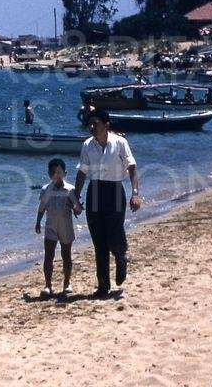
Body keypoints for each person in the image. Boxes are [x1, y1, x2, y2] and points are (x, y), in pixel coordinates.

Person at [74, 110, 141, 296]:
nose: (92, 127)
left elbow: (132, 168)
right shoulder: (87, 145)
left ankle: (120, 258)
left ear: (106, 125)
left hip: (114, 190)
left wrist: (135, 194)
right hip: (94, 191)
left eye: (96, 123)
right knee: (98, 240)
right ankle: (103, 284)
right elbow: (82, 172)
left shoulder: (120, 143)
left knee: (114, 233)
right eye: (90, 124)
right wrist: (76, 198)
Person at [35, 158, 82, 298]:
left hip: (66, 226)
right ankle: (48, 285)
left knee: (66, 255)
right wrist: (38, 222)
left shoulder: (70, 189)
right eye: (53, 172)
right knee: (48, 255)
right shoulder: (46, 189)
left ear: (65, 173)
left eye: (59, 172)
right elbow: (42, 208)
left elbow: (77, 209)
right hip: (50, 225)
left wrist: (77, 208)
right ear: (49, 173)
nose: (56, 174)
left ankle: (67, 283)